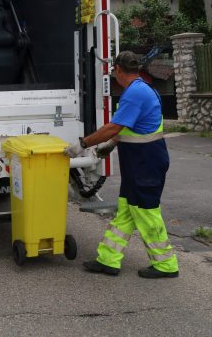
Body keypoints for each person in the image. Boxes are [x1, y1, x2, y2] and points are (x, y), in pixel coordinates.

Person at [65, 51, 179, 279]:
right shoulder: (143, 88)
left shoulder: (135, 93)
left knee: (146, 212)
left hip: (144, 162)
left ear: (117, 70)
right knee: (126, 211)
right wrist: (111, 145)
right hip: (141, 160)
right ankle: (108, 259)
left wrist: (83, 144)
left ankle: (166, 265)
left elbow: (113, 127)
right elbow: (131, 127)